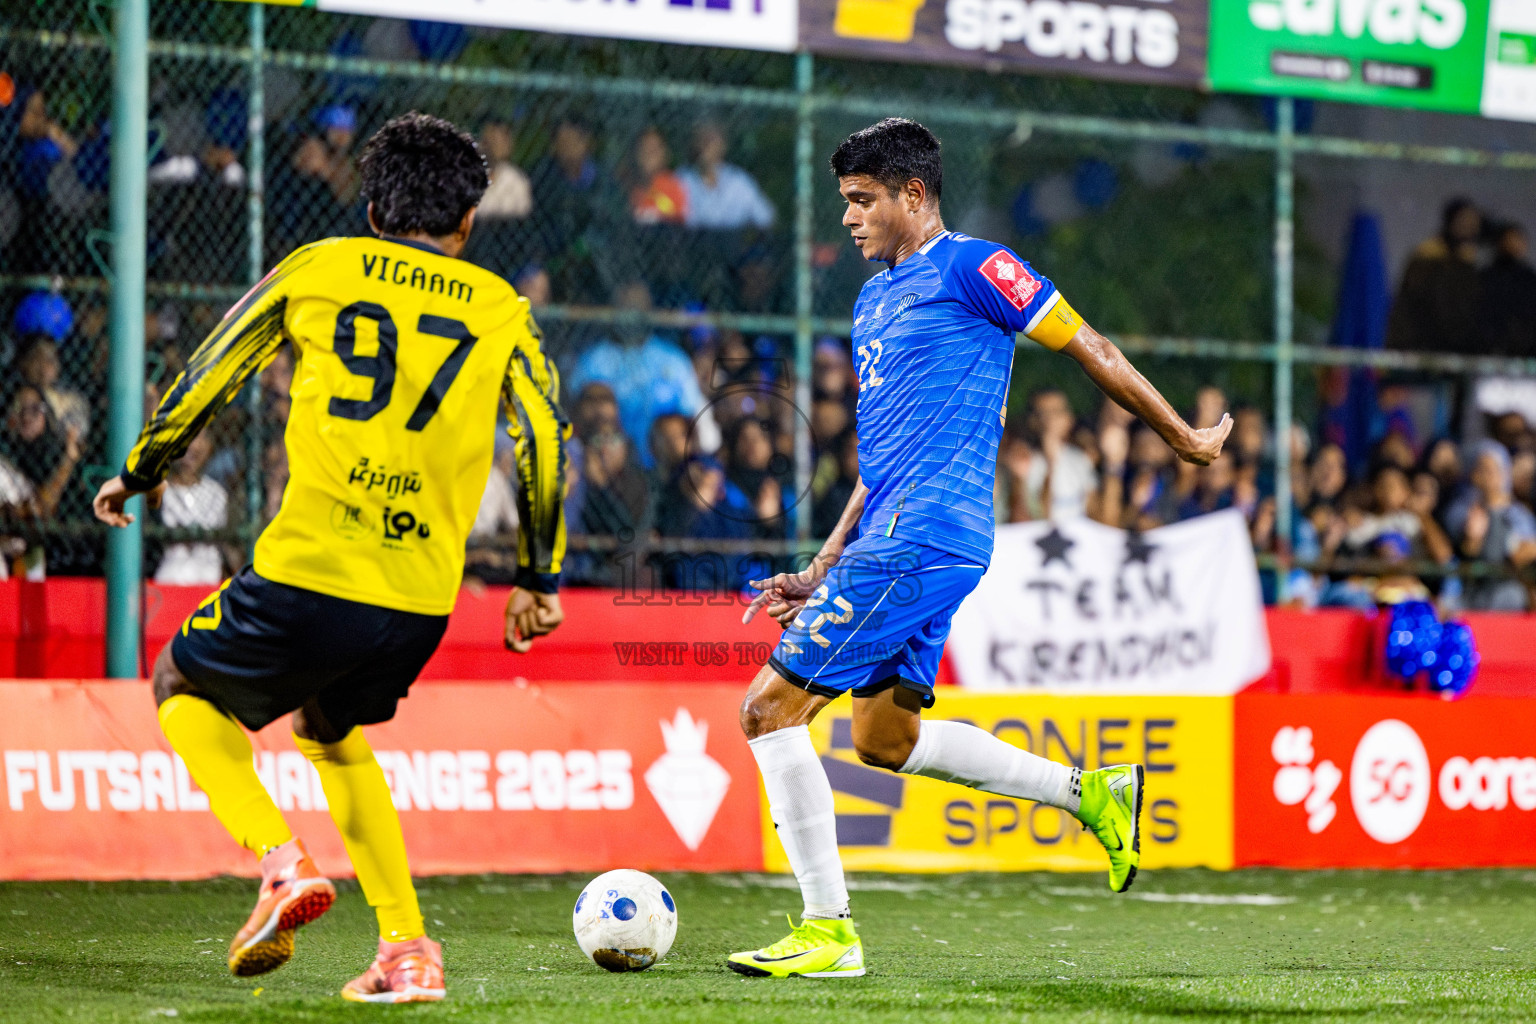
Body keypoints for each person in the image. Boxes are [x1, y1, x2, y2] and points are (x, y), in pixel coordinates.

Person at [727, 119, 1230, 978]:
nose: (848, 219)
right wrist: (823, 565)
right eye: (844, 203)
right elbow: (881, 458)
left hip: (927, 534)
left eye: (863, 201)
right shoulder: (872, 298)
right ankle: (1089, 795)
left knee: (768, 711)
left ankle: (827, 931)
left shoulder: (976, 267)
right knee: (883, 739)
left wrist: (1182, 435)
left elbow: (1091, 347)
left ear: (913, 195)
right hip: (894, 532)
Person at [91, 113, 569, 1003]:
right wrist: (539, 579)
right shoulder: (501, 308)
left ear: (373, 207)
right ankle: (408, 950)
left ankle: (280, 865)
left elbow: (210, 370)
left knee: (179, 686)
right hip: (422, 596)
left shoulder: (320, 266)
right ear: (468, 223)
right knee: (328, 728)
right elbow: (543, 436)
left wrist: (140, 470)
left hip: (313, 566)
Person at [1385, 198, 1482, 354]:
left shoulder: (1467, 264)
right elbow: (1420, 308)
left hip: (1452, 351)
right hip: (1417, 349)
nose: (1469, 229)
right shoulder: (1426, 260)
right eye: (1463, 221)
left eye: (1473, 224)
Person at [679, 123, 775, 230]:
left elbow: (765, 218)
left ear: (723, 146)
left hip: (733, 242)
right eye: (701, 140)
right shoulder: (681, 179)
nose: (705, 146)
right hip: (691, 242)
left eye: (711, 140)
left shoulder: (739, 181)